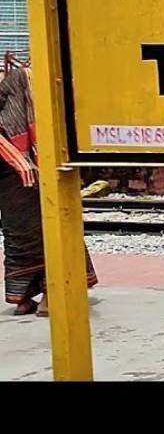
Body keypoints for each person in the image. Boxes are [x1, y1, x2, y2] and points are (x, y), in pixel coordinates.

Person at [0, 64, 98, 316]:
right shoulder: (26, 78)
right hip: (29, 163)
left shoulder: (18, 78)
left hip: (17, 164)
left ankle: (31, 297)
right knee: (47, 228)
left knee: (22, 231)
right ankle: (48, 295)